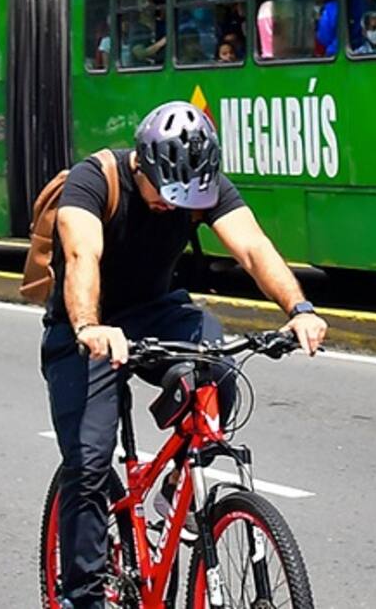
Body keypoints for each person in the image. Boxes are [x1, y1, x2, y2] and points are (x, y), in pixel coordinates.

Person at [41, 100, 328, 609]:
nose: (173, 207)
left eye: (185, 198)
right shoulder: (94, 180)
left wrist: (299, 307)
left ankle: (178, 489)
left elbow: (253, 247)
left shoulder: (203, 186)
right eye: (164, 194)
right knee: (87, 464)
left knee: (220, 365)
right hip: (84, 326)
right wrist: (90, 325)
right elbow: (82, 254)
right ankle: (81, 596)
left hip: (156, 312)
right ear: (142, 165)